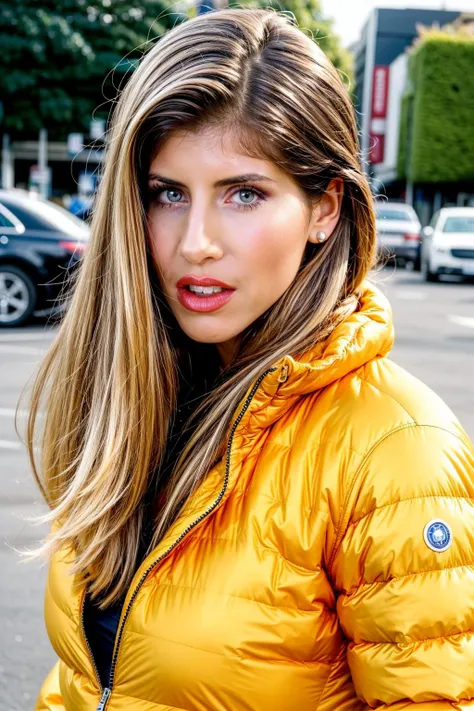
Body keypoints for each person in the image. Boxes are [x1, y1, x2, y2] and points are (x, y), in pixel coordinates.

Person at [29, 9, 474, 711]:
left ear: (325, 208)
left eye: (244, 193)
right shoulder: (139, 397)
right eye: (167, 193)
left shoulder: (397, 452)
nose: (196, 241)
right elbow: (88, 679)